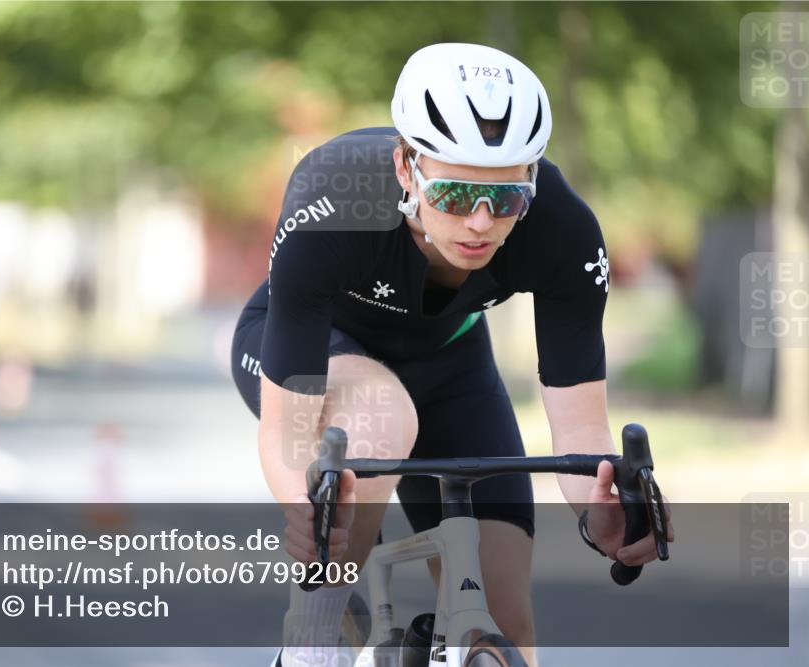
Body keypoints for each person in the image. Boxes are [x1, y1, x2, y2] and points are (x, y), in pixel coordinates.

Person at [231, 43, 673, 667]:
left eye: (508, 199)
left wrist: (600, 512)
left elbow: (581, 428)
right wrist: (306, 510)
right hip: (322, 350)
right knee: (381, 414)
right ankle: (313, 638)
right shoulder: (331, 199)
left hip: (451, 367)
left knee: (504, 619)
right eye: (458, 196)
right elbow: (289, 432)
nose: (482, 224)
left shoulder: (564, 230)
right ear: (406, 169)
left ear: (533, 182)